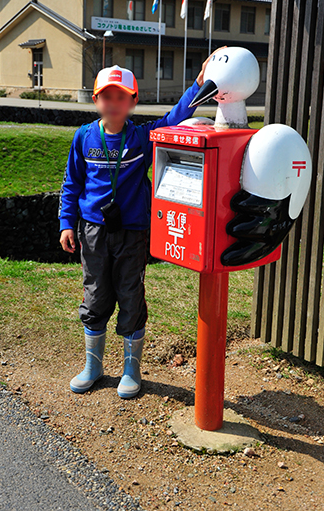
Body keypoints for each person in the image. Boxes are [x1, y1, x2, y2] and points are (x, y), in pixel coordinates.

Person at [60, 57, 214, 398]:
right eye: (106, 96)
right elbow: (72, 183)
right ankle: (93, 365)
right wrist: (66, 224)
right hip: (93, 232)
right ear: (95, 99)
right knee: (95, 294)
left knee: (131, 295)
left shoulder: (142, 138)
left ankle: (132, 369)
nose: (112, 104)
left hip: (133, 232)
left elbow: (174, 119)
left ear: (133, 101)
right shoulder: (84, 137)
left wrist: (199, 85)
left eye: (121, 97)